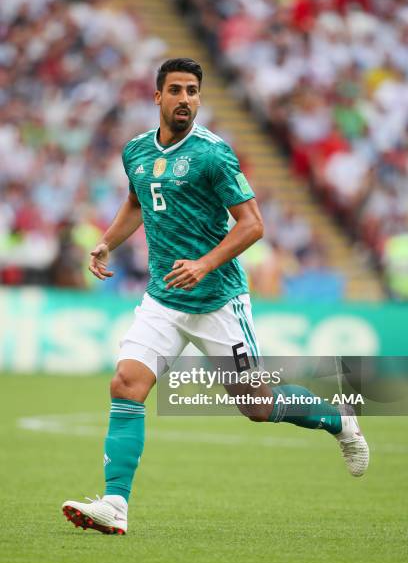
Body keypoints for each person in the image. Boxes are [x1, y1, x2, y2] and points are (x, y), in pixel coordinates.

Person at [62, 58, 369, 535]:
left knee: (258, 406)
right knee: (126, 383)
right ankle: (115, 505)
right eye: (176, 90)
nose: (185, 99)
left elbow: (253, 225)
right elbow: (138, 201)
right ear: (157, 97)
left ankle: (338, 418)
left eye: (193, 91)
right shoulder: (136, 151)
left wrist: (205, 263)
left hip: (218, 302)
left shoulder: (213, 154)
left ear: (199, 98)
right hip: (164, 298)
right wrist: (107, 241)